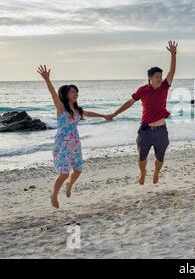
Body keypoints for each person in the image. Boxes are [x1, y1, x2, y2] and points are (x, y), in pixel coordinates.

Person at [37, 65, 112, 209]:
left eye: (76, 92)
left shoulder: (77, 110)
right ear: (65, 94)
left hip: (75, 143)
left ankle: (69, 186)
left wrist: (104, 116)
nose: (76, 94)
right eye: (73, 91)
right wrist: (47, 80)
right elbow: (53, 94)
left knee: (78, 170)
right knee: (64, 172)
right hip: (62, 143)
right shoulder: (61, 108)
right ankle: (54, 194)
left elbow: (89, 113)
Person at [109, 41, 177, 185]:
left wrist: (173, 54)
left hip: (161, 130)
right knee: (141, 158)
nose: (160, 78)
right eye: (157, 76)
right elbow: (129, 102)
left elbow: (172, 72)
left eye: (161, 76)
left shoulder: (164, 87)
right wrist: (114, 114)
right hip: (145, 131)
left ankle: (156, 172)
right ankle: (143, 172)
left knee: (160, 158)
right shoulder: (142, 90)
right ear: (150, 78)